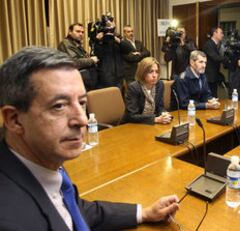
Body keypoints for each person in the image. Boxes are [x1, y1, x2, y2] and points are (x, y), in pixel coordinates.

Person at [0, 47, 179, 230]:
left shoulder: (46, 163)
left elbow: (75, 209)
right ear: (14, 120)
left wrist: (144, 212)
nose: (83, 119)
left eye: (82, 103)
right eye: (59, 106)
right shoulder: (11, 220)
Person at [122, 57, 172, 125]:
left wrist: (164, 114)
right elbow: (132, 116)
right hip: (131, 126)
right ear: (143, 72)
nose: (154, 75)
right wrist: (155, 119)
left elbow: (160, 107)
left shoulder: (160, 85)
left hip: (150, 125)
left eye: (156, 72)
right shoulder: (134, 88)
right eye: (151, 72)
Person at [58, 23, 99, 91]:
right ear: (70, 32)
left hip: (84, 83)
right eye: (78, 31)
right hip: (75, 85)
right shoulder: (66, 44)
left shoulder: (75, 43)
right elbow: (74, 62)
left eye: (82, 32)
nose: (81, 34)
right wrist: (91, 60)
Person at [93, 15, 124, 89]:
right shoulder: (100, 38)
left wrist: (117, 40)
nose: (109, 25)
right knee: (107, 97)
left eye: (111, 22)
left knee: (118, 97)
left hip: (119, 75)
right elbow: (98, 54)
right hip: (106, 76)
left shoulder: (117, 37)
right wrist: (97, 41)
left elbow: (128, 50)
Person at [203, 26, 226, 97]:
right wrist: (226, 58)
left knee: (214, 96)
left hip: (214, 76)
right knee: (210, 97)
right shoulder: (209, 44)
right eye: (221, 33)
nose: (223, 35)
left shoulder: (216, 45)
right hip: (209, 77)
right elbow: (215, 58)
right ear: (214, 33)